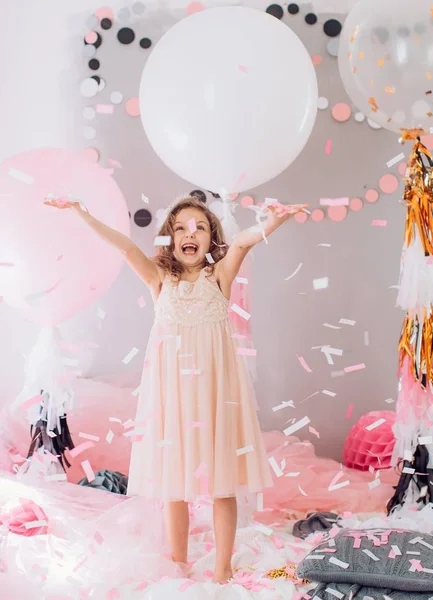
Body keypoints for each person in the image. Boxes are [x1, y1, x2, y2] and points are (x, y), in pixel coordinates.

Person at [44, 194, 307, 583]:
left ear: (209, 239)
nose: (191, 233)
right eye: (182, 227)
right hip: (173, 397)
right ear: (170, 237)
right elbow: (125, 245)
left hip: (217, 394)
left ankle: (223, 566)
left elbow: (243, 242)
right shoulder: (159, 280)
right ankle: (179, 561)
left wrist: (275, 221)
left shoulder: (218, 277)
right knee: (175, 484)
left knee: (222, 485)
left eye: (200, 227)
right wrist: (83, 214)